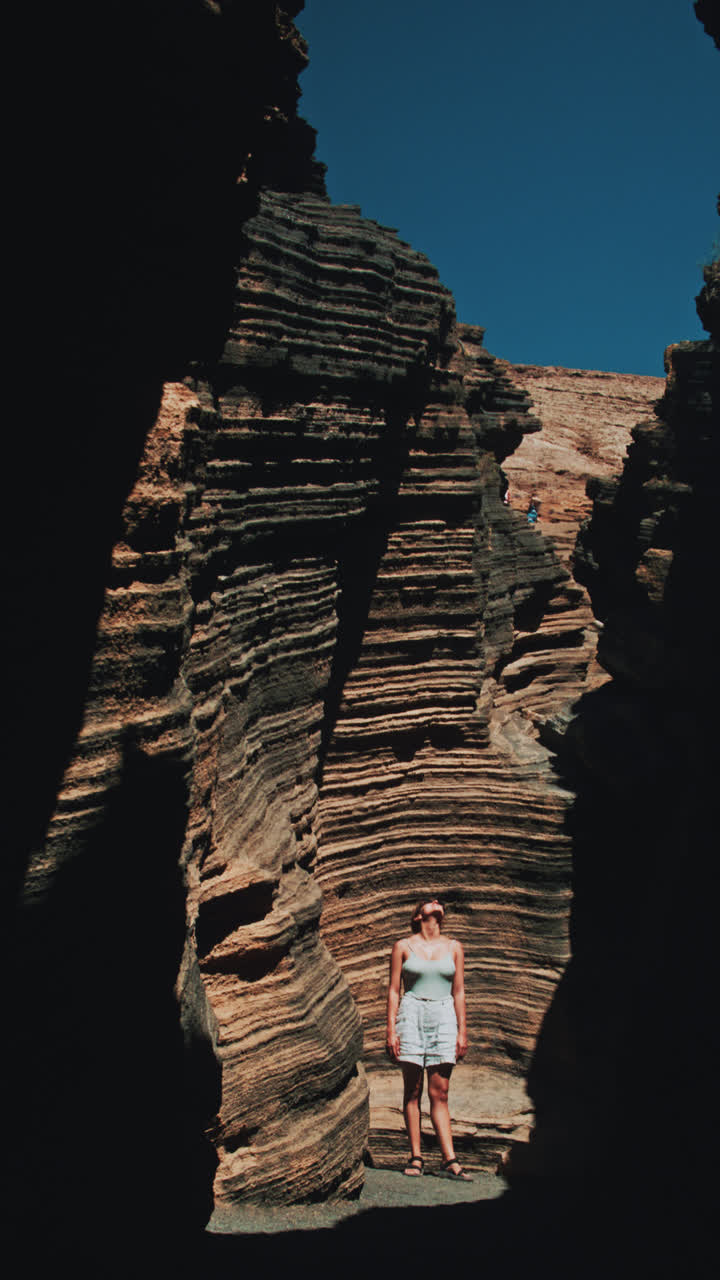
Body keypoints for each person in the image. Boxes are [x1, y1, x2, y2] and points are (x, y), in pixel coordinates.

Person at [386, 897, 472, 1179]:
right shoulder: (403, 946)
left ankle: (449, 1159)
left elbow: (459, 991)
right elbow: (394, 991)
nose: (436, 902)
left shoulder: (454, 947)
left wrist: (462, 1030)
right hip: (411, 1014)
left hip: (443, 1015)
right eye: (429, 901)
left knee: (440, 1091)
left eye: (438, 902)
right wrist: (391, 1030)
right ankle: (416, 1157)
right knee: (412, 1090)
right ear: (417, 916)